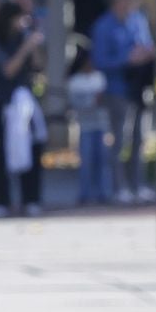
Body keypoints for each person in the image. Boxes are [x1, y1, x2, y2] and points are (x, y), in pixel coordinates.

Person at [90, 0, 156, 204]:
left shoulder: (139, 20)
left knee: (140, 139)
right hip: (118, 90)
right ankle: (119, 188)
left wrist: (147, 54)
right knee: (120, 140)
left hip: (140, 89)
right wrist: (126, 59)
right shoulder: (103, 26)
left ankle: (138, 185)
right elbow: (99, 61)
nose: (134, 2)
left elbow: (146, 45)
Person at [0, 1, 46, 217]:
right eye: (20, 18)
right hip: (6, 103)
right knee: (4, 152)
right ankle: (0, 200)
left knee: (33, 149)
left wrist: (33, 46)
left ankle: (31, 198)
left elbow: (38, 66)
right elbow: (8, 69)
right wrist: (26, 47)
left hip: (26, 101)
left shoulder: (24, 39)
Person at [68, 46, 112, 206]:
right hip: (85, 125)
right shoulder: (75, 82)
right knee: (86, 161)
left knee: (103, 161)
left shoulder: (100, 77)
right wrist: (93, 100)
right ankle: (84, 194)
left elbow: (105, 100)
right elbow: (77, 105)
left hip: (101, 124)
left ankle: (104, 193)